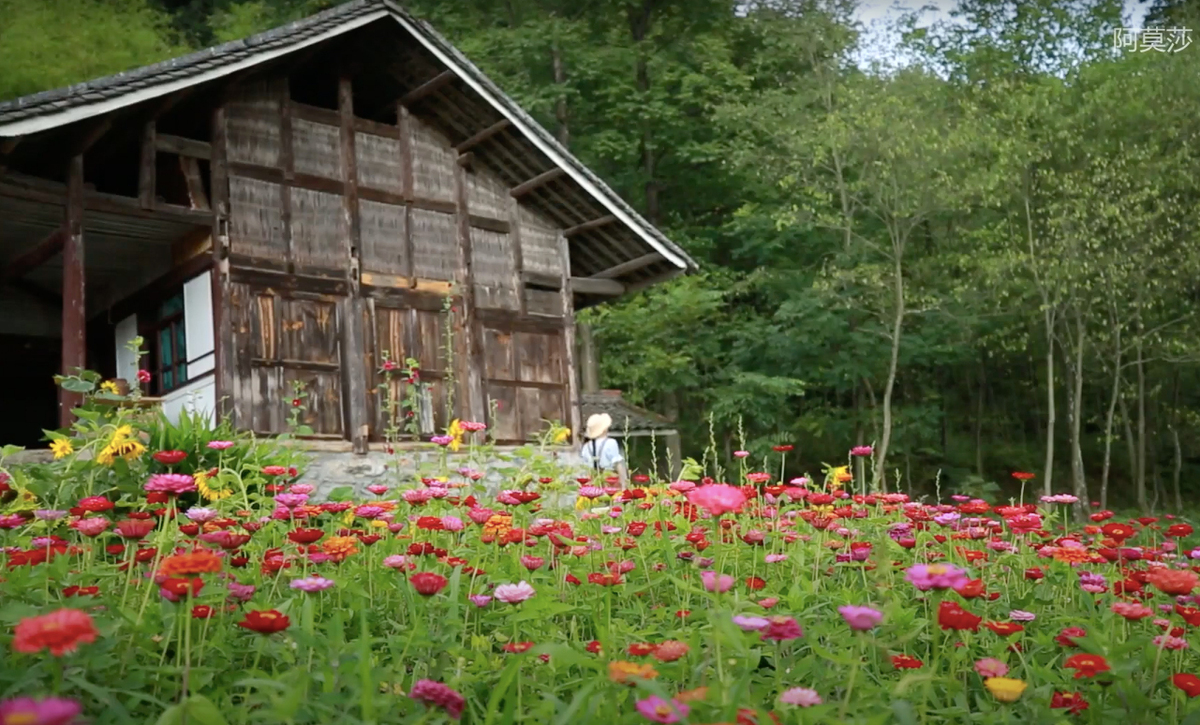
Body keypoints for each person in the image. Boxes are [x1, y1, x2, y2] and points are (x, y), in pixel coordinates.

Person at [580, 413, 627, 488]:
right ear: (604, 429)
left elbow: (585, 467)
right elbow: (618, 464)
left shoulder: (586, 446)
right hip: (609, 480)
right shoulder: (611, 443)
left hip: (592, 480)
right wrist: (623, 482)